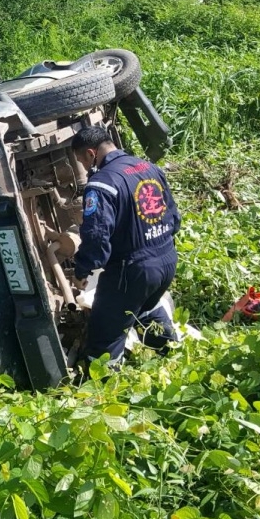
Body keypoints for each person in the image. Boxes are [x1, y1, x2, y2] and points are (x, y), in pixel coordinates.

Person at [71, 125, 181, 366]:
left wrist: (82, 269)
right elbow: (173, 216)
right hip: (166, 259)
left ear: (91, 153)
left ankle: (106, 388)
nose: (83, 165)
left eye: (81, 159)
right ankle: (171, 357)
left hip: (132, 270)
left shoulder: (101, 184)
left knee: (104, 332)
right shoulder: (148, 167)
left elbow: (97, 235)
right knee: (145, 309)